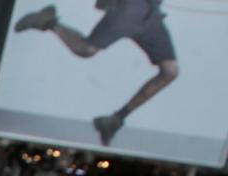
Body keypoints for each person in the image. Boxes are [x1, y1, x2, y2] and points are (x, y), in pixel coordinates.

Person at [14, 1, 179, 146]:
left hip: (150, 16)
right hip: (129, 10)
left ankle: (115, 119)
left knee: (170, 71)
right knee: (86, 49)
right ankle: (48, 22)